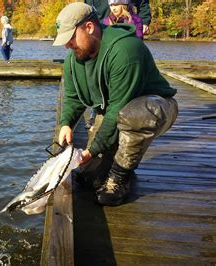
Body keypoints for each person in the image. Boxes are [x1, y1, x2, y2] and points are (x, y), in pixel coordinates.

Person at [53, 3, 178, 206]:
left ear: (89, 27)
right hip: (117, 111)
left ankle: (120, 177)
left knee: (132, 116)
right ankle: (119, 162)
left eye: (71, 38)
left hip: (155, 108)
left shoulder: (126, 50)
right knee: (88, 178)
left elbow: (118, 108)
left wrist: (92, 150)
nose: (68, 45)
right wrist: (66, 123)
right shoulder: (73, 59)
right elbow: (73, 96)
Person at [85, 0, 151, 35]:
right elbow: (87, 9)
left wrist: (144, 21)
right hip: (99, 30)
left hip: (125, 27)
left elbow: (143, 3)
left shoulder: (135, 21)